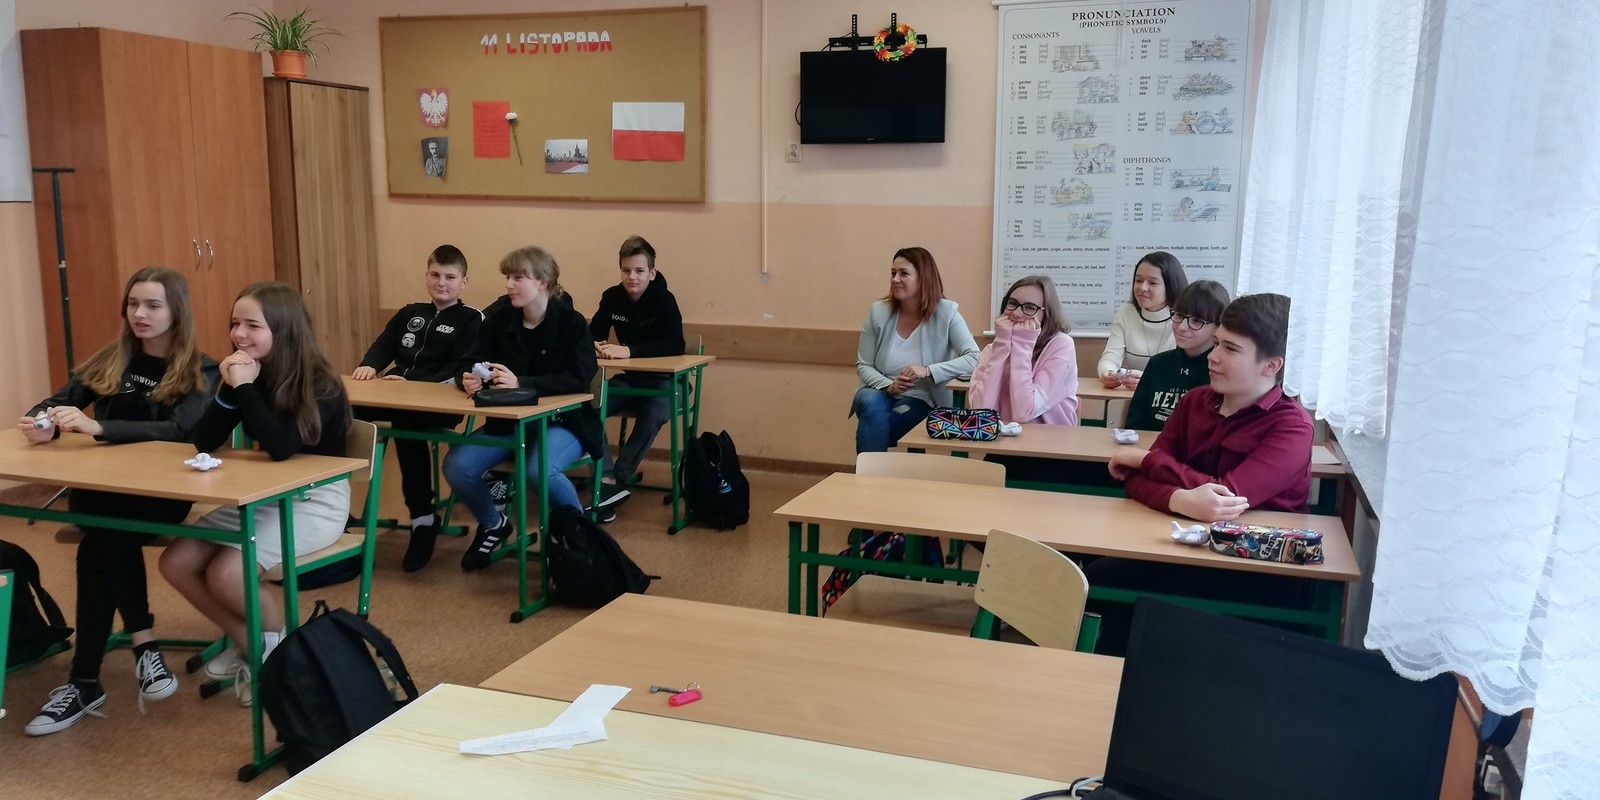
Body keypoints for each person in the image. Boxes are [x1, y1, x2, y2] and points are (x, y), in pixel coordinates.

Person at [19, 268, 219, 736]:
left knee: (102, 543)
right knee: (108, 537)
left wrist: (101, 428)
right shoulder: (114, 357)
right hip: (102, 491)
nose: (139, 314)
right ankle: (142, 646)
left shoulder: (201, 369)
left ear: (176, 312)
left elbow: (183, 432)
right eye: (133, 304)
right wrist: (42, 423)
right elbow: (56, 401)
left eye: (153, 305)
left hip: (160, 494)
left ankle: (86, 681)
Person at [159, 283, 353, 704]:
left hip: (316, 499)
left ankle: (276, 660)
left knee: (228, 573)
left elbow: (282, 448)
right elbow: (203, 441)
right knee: (177, 561)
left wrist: (245, 389)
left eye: (252, 325)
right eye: (235, 324)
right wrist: (230, 390)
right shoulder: (249, 371)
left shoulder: (320, 384)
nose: (239, 334)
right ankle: (255, 645)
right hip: (265, 493)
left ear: (283, 330)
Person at [1090, 293, 1312, 655]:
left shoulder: (1292, 427)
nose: (1213, 356)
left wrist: (1145, 462)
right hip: (1181, 546)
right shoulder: (1195, 401)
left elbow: (1224, 499)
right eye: (1217, 342)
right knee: (1091, 583)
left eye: (1231, 349)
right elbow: (1135, 482)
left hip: (1248, 569)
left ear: (1271, 365)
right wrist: (1180, 499)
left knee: (1130, 627)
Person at [442, 246, 602, 571]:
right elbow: (467, 362)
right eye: (508, 277)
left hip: (565, 422)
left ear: (542, 282)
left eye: (518, 278)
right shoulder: (499, 320)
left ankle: (583, 540)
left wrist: (522, 383)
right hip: (512, 424)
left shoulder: (570, 322)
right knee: (457, 466)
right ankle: (493, 524)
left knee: (538, 470)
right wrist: (467, 378)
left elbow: (580, 376)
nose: (509, 285)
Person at [352, 245, 482, 571]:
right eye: (435, 275)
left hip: (440, 402)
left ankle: (422, 518)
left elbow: (461, 366)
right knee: (341, 414)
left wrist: (413, 383)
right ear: (426, 276)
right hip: (397, 394)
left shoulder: (471, 319)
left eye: (450, 277)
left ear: (464, 282)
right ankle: (333, 505)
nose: (442, 283)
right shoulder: (410, 312)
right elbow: (384, 345)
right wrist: (370, 365)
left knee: (405, 424)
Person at [589, 235, 684, 523]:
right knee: (588, 404)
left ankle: (619, 477)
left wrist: (629, 350)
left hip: (666, 383)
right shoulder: (612, 297)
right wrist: (593, 344)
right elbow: (594, 331)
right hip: (631, 381)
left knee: (653, 411)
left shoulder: (664, 300)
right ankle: (605, 479)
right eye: (626, 270)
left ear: (652, 273)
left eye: (640, 271)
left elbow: (675, 344)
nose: (632, 277)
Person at [851, 247, 979, 453]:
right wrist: (889, 386)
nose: (895, 279)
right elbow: (864, 365)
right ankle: (878, 470)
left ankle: (869, 471)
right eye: (893, 273)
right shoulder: (878, 312)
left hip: (922, 398)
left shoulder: (947, 312)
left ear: (924, 278)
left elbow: (974, 358)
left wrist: (927, 370)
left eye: (904, 273)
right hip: (879, 390)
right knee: (870, 402)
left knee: (881, 420)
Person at [968, 275, 1079, 426]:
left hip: (1050, 439)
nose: (1016, 313)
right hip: (1003, 437)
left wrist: (1022, 345)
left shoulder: (1061, 346)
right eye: (1012, 303)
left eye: (1030, 308)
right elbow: (980, 413)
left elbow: (1024, 412)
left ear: (1046, 314)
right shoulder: (992, 349)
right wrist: (1002, 347)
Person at [1122, 280, 1230, 431]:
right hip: (1151, 445)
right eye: (1179, 315)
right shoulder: (1157, 364)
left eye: (1196, 321)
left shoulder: (1221, 372)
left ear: (1218, 327)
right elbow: (1135, 423)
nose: (1182, 327)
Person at [1097, 251, 1189, 390]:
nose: (1142, 288)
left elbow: (1186, 371)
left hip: (1171, 395)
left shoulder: (1184, 319)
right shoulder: (1126, 312)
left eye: (1153, 283)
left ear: (1170, 286)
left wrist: (1148, 380)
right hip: (1134, 396)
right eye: (1138, 281)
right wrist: (1107, 373)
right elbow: (1110, 358)